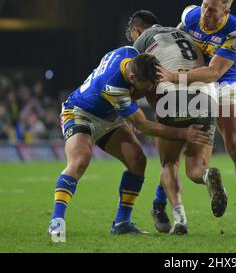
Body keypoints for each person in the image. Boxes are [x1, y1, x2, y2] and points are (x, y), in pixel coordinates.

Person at [47, 46, 211, 241]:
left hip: (108, 115)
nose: (149, 90)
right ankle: (56, 221)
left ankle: (121, 223)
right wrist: (183, 133)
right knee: (80, 160)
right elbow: (143, 125)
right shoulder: (114, 86)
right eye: (146, 86)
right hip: (80, 113)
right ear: (133, 78)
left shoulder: (130, 52)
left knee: (137, 161)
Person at [157, 0, 236, 232]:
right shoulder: (191, 14)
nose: (205, 14)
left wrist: (173, 77)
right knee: (177, 144)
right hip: (192, 86)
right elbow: (173, 42)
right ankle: (159, 204)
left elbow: (213, 72)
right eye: (205, 5)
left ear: (226, 12)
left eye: (213, 11)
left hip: (224, 86)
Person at [126, 10, 228, 235]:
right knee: (195, 167)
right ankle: (206, 175)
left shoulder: (141, 42)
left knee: (169, 163)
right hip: (206, 96)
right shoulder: (183, 34)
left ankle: (180, 220)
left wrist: (133, 111)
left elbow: (142, 79)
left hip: (172, 95)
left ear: (137, 30)